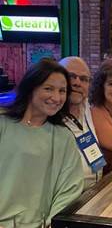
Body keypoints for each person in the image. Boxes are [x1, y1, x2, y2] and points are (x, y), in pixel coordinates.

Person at [0, 58, 84, 227]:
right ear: (31, 88)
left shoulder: (63, 137)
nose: (56, 97)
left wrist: (51, 223)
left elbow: (70, 189)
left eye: (62, 91)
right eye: (48, 89)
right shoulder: (3, 124)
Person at [59, 56, 106, 190]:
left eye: (84, 79)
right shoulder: (48, 117)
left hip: (95, 192)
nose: (77, 83)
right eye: (71, 76)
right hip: (68, 204)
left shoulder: (87, 107)